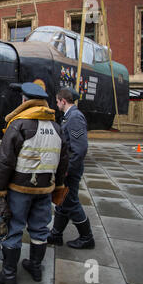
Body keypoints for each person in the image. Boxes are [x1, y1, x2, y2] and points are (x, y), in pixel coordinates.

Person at [0, 82, 68, 284]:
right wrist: (58, 186)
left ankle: (9, 277)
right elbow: (63, 161)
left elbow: (5, 162)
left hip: (19, 189)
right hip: (45, 190)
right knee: (40, 230)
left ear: (24, 101)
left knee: (13, 230)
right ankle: (35, 267)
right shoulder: (57, 127)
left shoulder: (19, 124)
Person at [47, 87, 95, 249]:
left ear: (63, 101)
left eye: (57, 101)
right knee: (62, 201)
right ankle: (56, 234)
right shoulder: (69, 117)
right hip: (66, 168)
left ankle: (87, 237)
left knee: (71, 202)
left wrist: (67, 170)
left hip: (70, 170)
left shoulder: (75, 117)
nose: (56, 104)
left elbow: (79, 148)